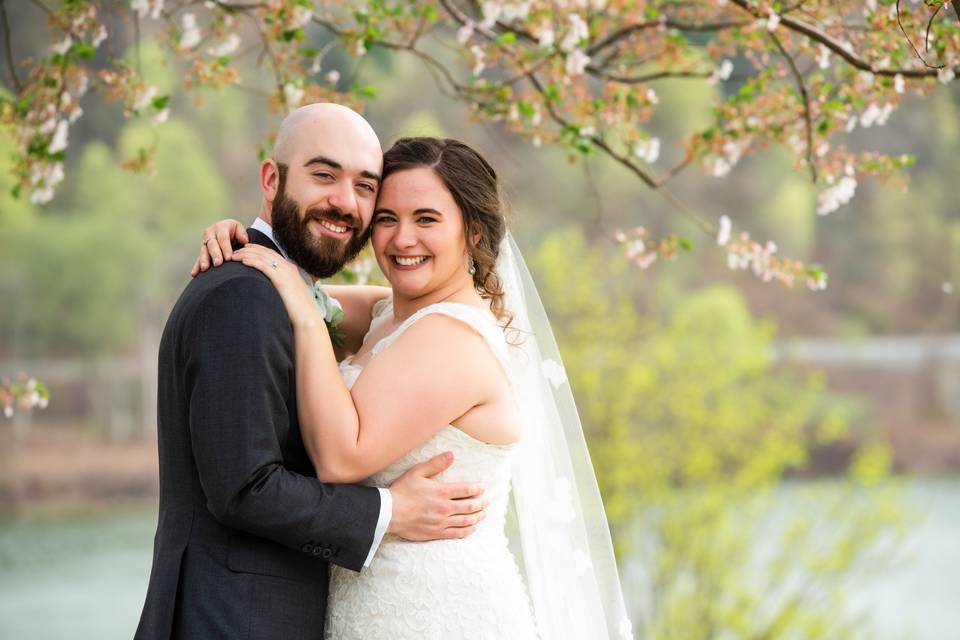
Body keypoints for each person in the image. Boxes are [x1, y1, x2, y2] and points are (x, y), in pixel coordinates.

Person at [196, 133, 634, 639]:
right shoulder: (390, 313)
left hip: (437, 610)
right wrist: (246, 237)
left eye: (426, 219)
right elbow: (281, 288)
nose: (402, 239)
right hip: (376, 603)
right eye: (386, 219)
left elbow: (341, 458)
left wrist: (306, 318)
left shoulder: (453, 337)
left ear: (471, 232)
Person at [135, 104, 489, 640]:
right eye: (324, 175)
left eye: (366, 188)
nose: (345, 203)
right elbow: (244, 488)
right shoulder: (243, 295)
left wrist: (255, 246)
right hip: (232, 621)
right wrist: (388, 512)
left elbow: (371, 309)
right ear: (272, 180)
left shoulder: (290, 294)